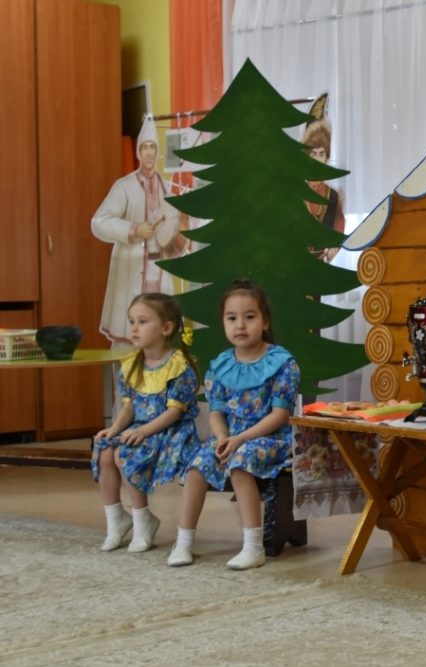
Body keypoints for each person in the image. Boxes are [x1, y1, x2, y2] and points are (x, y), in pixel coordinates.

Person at [168, 279, 300, 570]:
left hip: (270, 439)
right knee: (198, 465)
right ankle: (184, 541)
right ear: (224, 323)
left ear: (265, 322)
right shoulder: (221, 365)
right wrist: (221, 437)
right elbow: (216, 412)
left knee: (240, 462)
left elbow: (279, 415)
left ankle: (253, 547)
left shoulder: (282, 363)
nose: (240, 325)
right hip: (230, 438)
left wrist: (240, 440)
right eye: (231, 318)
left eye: (249, 317)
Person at [92, 293, 200, 553]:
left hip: (170, 431)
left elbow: (174, 413)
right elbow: (129, 407)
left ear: (166, 328)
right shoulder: (132, 364)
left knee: (124, 454)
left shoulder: (178, 366)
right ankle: (116, 519)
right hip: (138, 428)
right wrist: (114, 429)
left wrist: (143, 431)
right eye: (132, 322)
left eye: (142, 321)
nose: (134, 328)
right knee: (105, 450)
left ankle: (143, 520)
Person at [92, 115, 188, 346]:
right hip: (132, 270)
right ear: (138, 152)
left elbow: (175, 233)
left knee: (161, 337)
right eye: (144, 147)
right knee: (127, 342)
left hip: (159, 271)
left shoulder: (167, 191)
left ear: (157, 151)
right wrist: (134, 229)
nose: (149, 152)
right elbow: (99, 222)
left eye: (152, 147)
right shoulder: (124, 187)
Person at [301, 93, 346, 263]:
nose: (317, 159)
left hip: (321, 264)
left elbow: (339, 222)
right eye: (313, 154)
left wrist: (335, 244)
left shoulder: (332, 196)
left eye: (321, 154)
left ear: (326, 158)